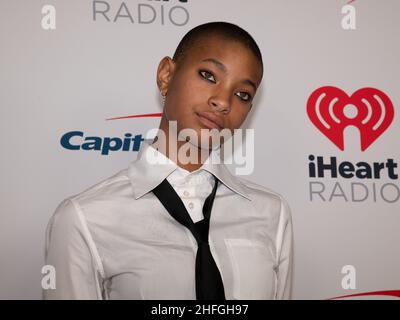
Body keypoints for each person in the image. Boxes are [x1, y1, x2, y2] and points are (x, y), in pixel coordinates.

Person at [44, 21, 293, 300]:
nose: (223, 102)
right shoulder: (84, 218)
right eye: (208, 76)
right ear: (166, 75)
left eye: (242, 94)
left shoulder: (272, 213)